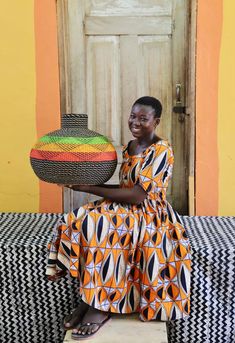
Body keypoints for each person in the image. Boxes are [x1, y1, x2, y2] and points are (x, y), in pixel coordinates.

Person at [46, 96, 191, 340]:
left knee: (101, 226)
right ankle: (89, 296)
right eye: (132, 116)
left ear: (156, 121)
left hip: (149, 213)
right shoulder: (130, 147)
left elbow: (137, 195)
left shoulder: (161, 150)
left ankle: (101, 307)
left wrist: (89, 188)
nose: (135, 122)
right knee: (76, 219)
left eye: (143, 118)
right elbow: (125, 185)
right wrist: (84, 184)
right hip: (125, 207)